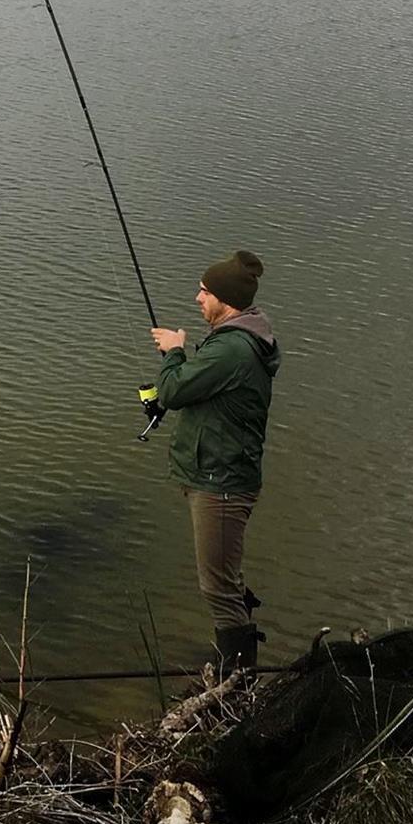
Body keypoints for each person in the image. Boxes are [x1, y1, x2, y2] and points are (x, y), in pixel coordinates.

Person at [148, 249, 281, 674]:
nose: (197, 298)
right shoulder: (233, 341)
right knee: (225, 580)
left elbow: (172, 391)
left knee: (217, 587)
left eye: (204, 291)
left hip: (221, 484)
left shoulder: (232, 351)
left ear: (226, 300)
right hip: (215, 477)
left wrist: (174, 351)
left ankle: (236, 686)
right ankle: (235, 671)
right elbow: (194, 391)